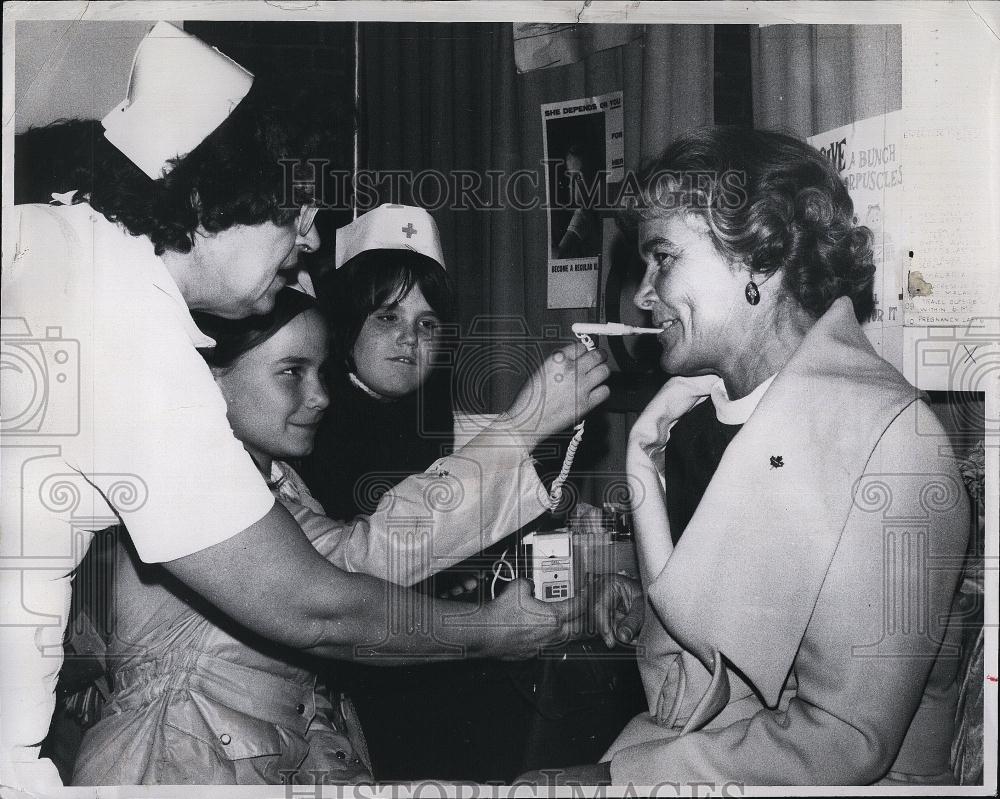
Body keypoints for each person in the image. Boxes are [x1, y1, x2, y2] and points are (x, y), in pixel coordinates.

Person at [1, 23, 609, 790]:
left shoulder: (67, 255)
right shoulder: (126, 332)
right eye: (294, 207)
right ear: (200, 199)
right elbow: (315, 603)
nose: (311, 232)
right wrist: (488, 629)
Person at [524, 126, 971, 786]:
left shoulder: (891, 439)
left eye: (663, 258)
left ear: (761, 254)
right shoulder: (700, 426)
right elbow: (687, 679)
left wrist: (610, 782)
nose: (645, 294)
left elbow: (844, 741)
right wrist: (642, 474)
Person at [73, 287, 556, 785]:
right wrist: (523, 428)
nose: (320, 396)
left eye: (320, 372)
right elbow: (342, 580)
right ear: (210, 382)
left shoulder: (276, 480)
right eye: (291, 372)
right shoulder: (186, 478)